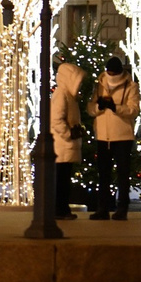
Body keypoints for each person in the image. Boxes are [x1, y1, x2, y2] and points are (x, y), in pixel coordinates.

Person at [90, 54, 139, 220]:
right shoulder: (99, 85)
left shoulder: (131, 86)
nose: (111, 76)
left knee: (123, 174)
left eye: (113, 73)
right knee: (103, 174)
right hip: (103, 136)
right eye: (108, 73)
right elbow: (90, 109)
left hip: (122, 136)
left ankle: (122, 208)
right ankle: (102, 208)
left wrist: (115, 107)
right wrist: (100, 107)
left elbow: (133, 110)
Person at [48, 59, 87, 218]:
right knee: (61, 180)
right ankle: (60, 210)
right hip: (62, 145)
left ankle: (62, 209)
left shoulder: (68, 96)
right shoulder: (62, 94)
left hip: (66, 145)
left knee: (64, 180)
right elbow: (56, 119)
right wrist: (69, 133)